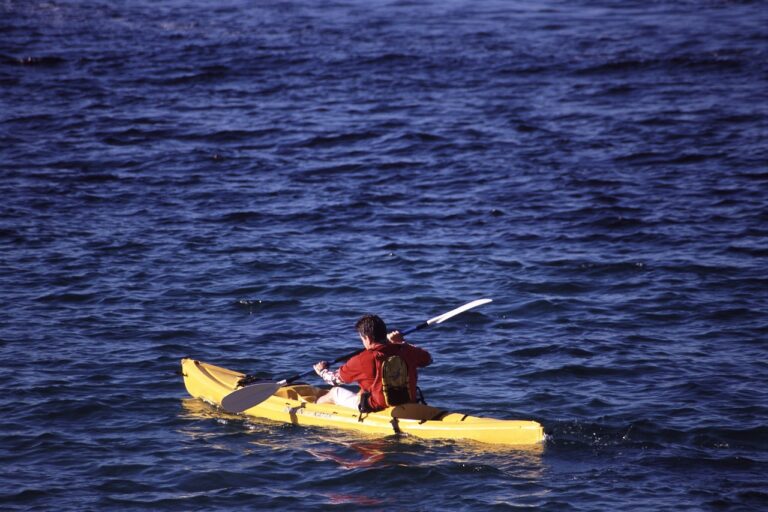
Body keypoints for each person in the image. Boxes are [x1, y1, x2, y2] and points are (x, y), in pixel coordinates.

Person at [313, 314, 432, 411]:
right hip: (409, 402)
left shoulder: (362, 359)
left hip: (377, 406)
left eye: (362, 338)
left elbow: (334, 380)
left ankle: (313, 409)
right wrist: (401, 342)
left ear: (368, 338)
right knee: (363, 388)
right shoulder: (405, 349)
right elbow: (428, 359)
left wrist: (322, 371)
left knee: (334, 392)